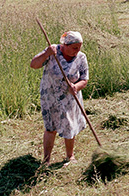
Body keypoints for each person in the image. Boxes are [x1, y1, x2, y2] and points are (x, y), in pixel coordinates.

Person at [30, 30, 89, 165]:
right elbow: (34, 65)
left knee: (70, 126)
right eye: (74, 48)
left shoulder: (81, 57)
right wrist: (46, 54)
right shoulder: (52, 52)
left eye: (79, 47)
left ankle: (70, 156)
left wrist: (76, 87)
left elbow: (84, 79)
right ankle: (46, 160)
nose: (77, 50)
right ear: (65, 45)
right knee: (50, 127)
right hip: (50, 97)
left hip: (70, 99)